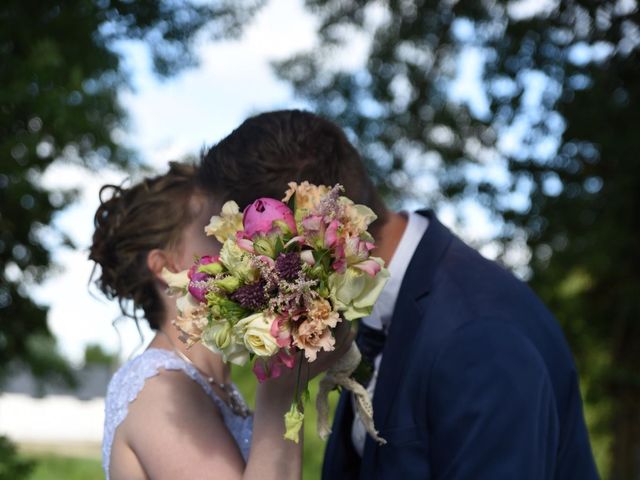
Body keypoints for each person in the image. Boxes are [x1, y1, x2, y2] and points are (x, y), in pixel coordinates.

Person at [198, 110, 600, 479]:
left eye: (239, 253)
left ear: (304, 235)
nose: (237, 277)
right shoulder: (374, 318)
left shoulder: (479, 337)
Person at [90, 161, 350, 480]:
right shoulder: (159, 391)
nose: (241, 240)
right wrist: (280, 392)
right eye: (213, 230)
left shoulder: (212, 385)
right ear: (165, 266)